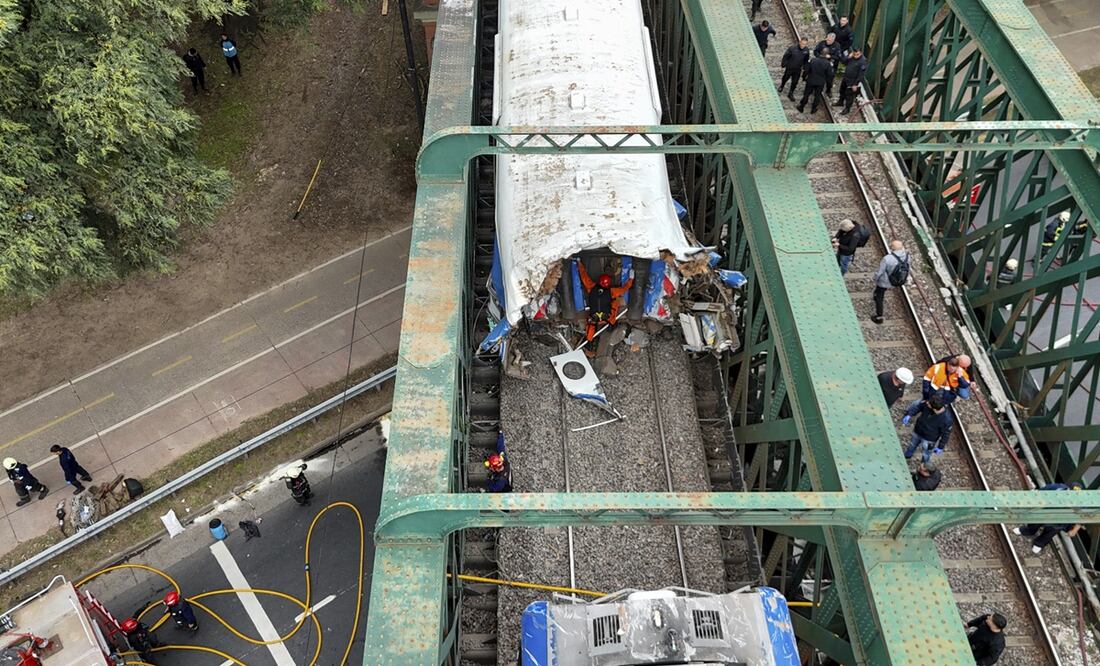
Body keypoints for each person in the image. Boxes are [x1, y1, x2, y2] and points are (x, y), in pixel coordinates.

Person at [1012, 482, 1084, 554]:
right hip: (1045, 511)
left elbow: (1081, 517)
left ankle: (1039, 543)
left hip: (1060, 520)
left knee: (1050, 532)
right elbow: (1041, 491)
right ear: (1067, 489)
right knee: (1035, 521)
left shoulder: (1081, 503)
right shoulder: (1056, 488)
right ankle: (1028, 530)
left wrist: (1074, 530)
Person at [576, 261, 633, 348]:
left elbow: (584, 276)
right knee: (615, 302)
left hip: (594, 317)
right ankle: (612, 325)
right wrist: (631, 279)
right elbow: (624, 289)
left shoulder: (591, 287)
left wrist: (579, 263)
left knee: (591, 327)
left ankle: (589, 341)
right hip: (607, 317)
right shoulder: (611, 292)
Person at [902, 396, 951, 463]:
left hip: (929, 439)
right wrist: (910, 414)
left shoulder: (947, 419)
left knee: (926, 454)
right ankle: (908, 455)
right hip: (918, 431)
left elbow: (946, 434)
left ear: (934, 408)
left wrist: (940, 446)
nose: (926, 403)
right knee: (912, 445)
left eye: (928, 404)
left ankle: (924, 465)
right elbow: (918, 407)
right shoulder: (928, 403)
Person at [870, 240, 909, 324]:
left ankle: (879, 316)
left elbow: (880, 272)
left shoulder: (887, 258)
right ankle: (876, 296)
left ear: (892, 248)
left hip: (884, 281)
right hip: (896, 280)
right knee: (880, 292)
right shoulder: (907, 256)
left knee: (880, 296)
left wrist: (875, 278)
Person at [835, 48, 866, 114]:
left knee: (849, 96)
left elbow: (861, 75)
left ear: (860, 53)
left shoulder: (862, 61)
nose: (855, 56)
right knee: (842, 90)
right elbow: (843, 62)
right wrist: (848, 57)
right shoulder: (851, 57)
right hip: (846, 78)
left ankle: (847, 108)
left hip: (852, 81)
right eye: (854, 54)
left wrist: (855, 84)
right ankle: (840, 101)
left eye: (857, 54)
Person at [813, 33, 841, 97]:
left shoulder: (837, 46)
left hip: (831, 65)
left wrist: (830, 56)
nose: (827, 41)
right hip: (821, 63)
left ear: (833, 40)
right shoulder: (822, 43)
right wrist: (820, 56)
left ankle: (828, 90)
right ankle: (816, 89)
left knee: (829, 80)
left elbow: (838, 57)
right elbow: (816, 51)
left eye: (829, 40)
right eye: (827, 39)